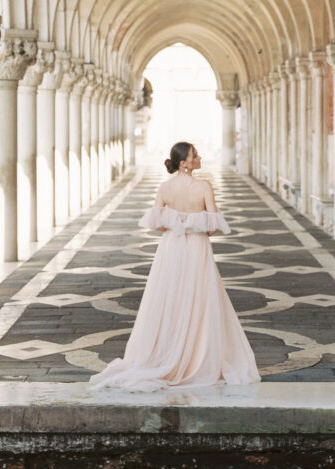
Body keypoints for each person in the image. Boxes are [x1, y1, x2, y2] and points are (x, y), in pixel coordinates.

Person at [87, 141, 261, 392]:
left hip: (171, 247)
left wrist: (177, 223)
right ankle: (197, 356)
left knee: (169, 297)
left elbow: (155, 221)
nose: (199, 157)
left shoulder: (166, 188)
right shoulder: (204, 187)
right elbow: (212, 225)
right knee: (200, 297)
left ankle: (165, 351)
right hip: (197, 247)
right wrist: (194, 225)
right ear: (184, 163)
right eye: (195, 155)